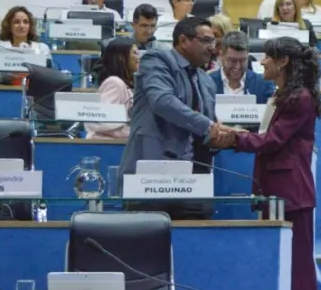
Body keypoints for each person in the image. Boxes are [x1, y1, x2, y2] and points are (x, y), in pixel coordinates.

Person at [223, 36, 321, 290]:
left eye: (268, 56)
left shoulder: (299, 98)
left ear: (283, 62)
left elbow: (272, 141)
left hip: (291, 194)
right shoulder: (286, 95)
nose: (262, 62)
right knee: (287, 267)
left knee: (298, 269)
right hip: (279, 192)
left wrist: (233, 138)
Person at [118, 15, 233, 178]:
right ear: (183, 40)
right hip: (152, 170)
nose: (212, 48)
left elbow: (206, 129)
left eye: (213, 42)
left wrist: (216, 138)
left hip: (193, 174)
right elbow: (162, 101)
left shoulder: (207, 81)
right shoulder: (157, 60)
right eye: (206, 41)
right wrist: (209, 126)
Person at [85, 37, 139, 140]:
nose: (139, 58)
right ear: (122, 57)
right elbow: (102, 121)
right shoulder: (114, 83)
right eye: (135, 53)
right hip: (104, 144)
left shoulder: (126, 84)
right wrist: (133, 132)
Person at [210, 31, 276, 102]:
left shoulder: (264, 84)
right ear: (221, 56)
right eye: (232, 60)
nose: (237, 66)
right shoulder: (207, 82)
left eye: (242, 60)